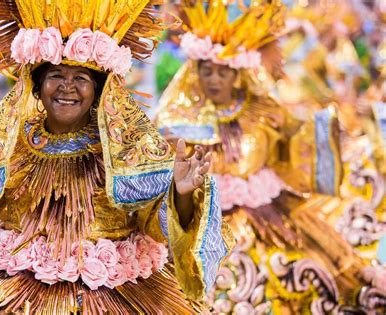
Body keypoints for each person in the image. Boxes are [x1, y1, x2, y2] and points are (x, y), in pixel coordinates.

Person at [0, 0, 233, 313]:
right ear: (36, 87)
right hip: (13, 291)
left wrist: (183, 194)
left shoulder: (124, 147)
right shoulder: (10, 144)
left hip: (115, 292)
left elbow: (154, 227)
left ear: (99, 89)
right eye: (55, 76)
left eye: (80, 78)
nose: (67, 88)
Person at [155, 0, 381, 313]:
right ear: (195, 72)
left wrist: (330, 129)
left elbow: (297, 143)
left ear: (238, 75)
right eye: (207, 71)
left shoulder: (263, 112)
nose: (215, 80)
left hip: (273, 211)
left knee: (319, 265)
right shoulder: (178, 124)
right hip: (207, 222)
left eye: (224, 72)